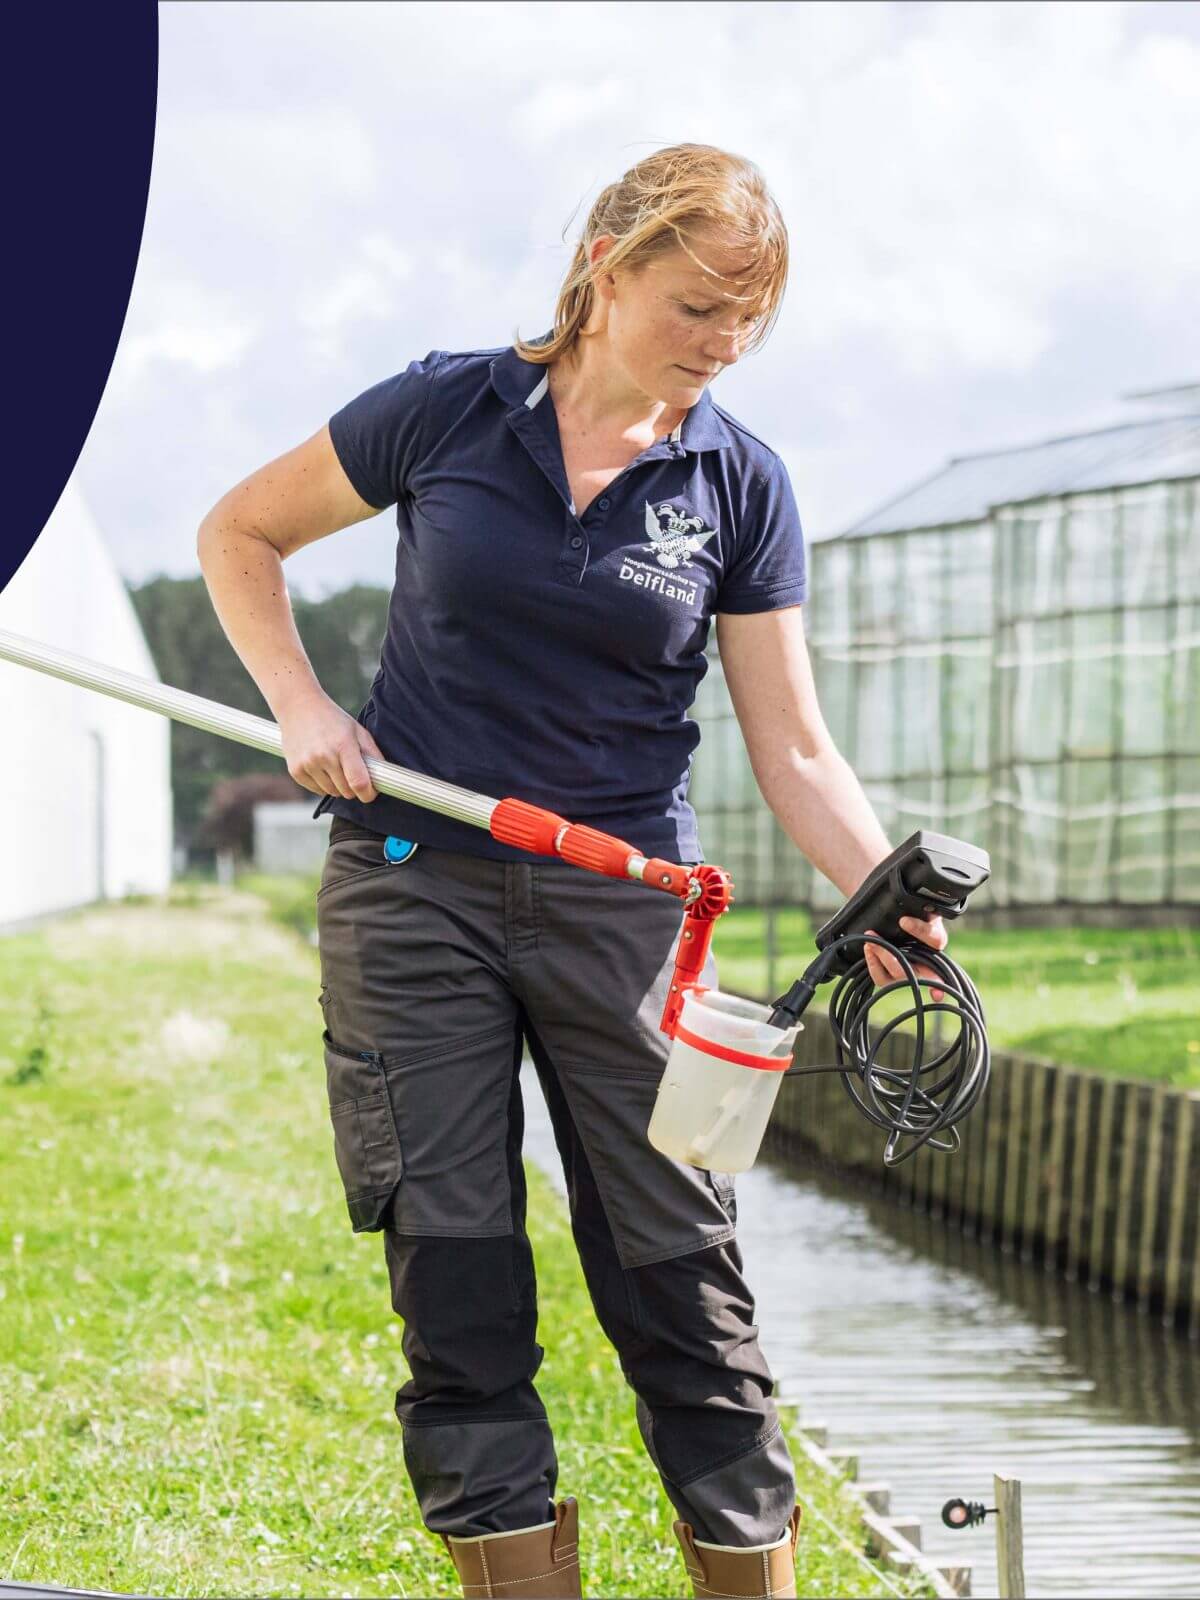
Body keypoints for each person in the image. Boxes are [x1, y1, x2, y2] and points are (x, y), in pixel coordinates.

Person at [197, 142, 947, 1600]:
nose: (721, 346)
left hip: (629, 916)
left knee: (687, 1282)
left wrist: (887, 901)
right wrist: (304, 707)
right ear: (607, 272)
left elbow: (794, 750)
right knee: (459, 1276)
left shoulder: (738, 482)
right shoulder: (446, 410)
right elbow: (241, 533)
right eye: (695, 308)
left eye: (749, 320)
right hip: (414, 885)